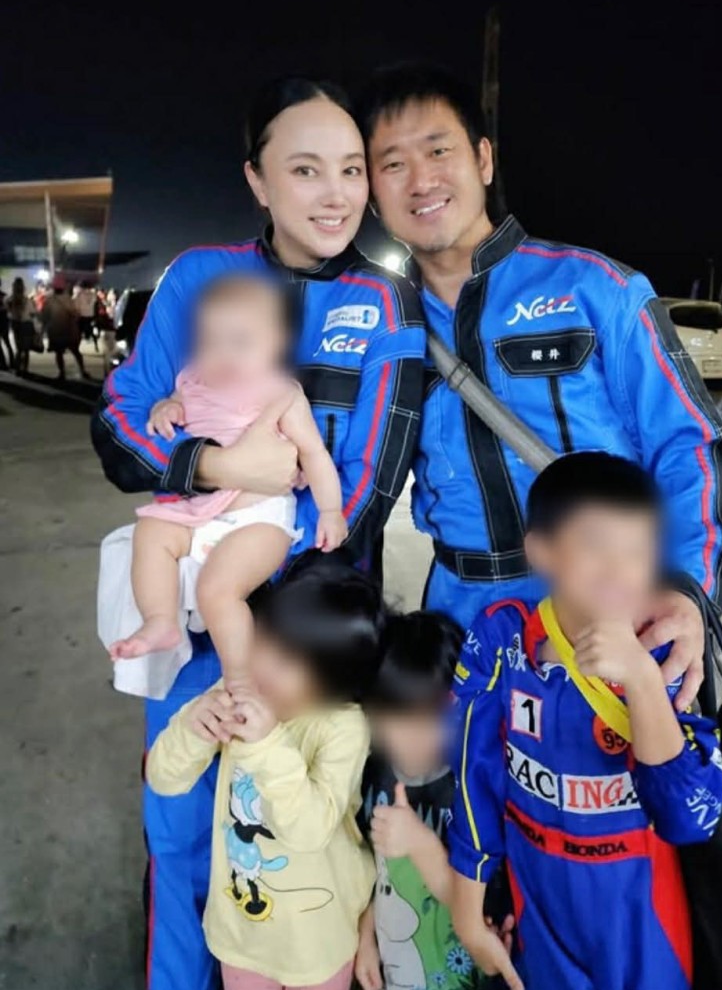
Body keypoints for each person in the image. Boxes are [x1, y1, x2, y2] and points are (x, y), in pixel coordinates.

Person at [90, 77, 425, 990]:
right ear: (257, 179)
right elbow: (121, 420)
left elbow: (370, 479)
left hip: (313, 639)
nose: (336, 193)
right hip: (202, 631)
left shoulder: (387, 303)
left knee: (298, 845)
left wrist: (282, 611)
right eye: (305, 169)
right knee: (184, 834)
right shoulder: (197, 277)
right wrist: (214, 469)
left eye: (351, 169)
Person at [356, 62, 722, 705]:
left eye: (438, 151)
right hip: (459, 632)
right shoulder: (385, 328)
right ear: (373, 194)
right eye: (393, 163)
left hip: (607, 621)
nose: (422, 180)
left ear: (483, 160)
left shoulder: (596, 288)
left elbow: (693, 447)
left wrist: (686, 590)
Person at [448, 452, 722, 989]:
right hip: (538, 912)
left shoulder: (667, 653)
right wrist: (467, 910)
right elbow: (472, 776)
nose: (619, 571)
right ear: (542, 551)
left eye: (637, 551)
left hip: (643, 923)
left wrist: (641, 679)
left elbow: (690, 819)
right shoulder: (502, 639)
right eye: (596, 545)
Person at [146, 559, 383, 990]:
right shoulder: (235, 690)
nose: (264, 664)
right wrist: (192, 729)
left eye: (289, 659)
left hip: (318, 937)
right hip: (241, 933)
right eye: (263, 639)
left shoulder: (343, 726)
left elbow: (309, 830)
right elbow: (164, 779)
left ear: (332, 680)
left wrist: (266, 744)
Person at [110, 274, 347, 689]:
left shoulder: (280, 393)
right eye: (210, 342)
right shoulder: (191, 382)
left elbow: (313, 453)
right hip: (195, 512)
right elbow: (173, 406)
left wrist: (331, 510)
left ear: (276, 343)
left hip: (258, 519)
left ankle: (239, 679)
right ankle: (161, 620)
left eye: (241, 342)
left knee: (217, 590)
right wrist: (166, 408)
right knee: (150, 534)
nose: (223, 356)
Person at [355, 610, 519, 990]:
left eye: (434, 718)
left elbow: (481, 913)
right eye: (401, 717)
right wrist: (366, 936)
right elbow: (379, 873)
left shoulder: (473, 789)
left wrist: (422, 845)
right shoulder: (374, 774)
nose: (417, 736)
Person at [42, 276, 90, 380]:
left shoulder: (49, 300)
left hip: (55, 330)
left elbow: (44, 316)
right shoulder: (68, 299)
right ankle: (82, 371)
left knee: (59, 353)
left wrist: (43, 329)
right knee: (75, 351)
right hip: (69, 329)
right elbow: (76, 314)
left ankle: (62, 373)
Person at [8, 277, 37, 375]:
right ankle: (25, 369)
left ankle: (17, 369)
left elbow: (8, 312)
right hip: (26, 324)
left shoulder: (10, 300)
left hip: (15, 324)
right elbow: (33, 313)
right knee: (26, 349)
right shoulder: (27, 300)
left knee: (19, 348)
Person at [75, 280, 99, 350]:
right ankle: (96, 346)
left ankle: (77, 347)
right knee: (92, 332)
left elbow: (76, 306)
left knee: (78, 332)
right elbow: (95, 305)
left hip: (82, 316)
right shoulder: (93, 294)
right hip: (91, 316)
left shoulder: (79, 294)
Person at [0, 278, 13, 370]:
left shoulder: (4, 296)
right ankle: (12, 363)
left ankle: (3, 363)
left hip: (3, 322)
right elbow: (9, 308)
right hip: (4, 322)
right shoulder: (4, 296)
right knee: (7, 343)